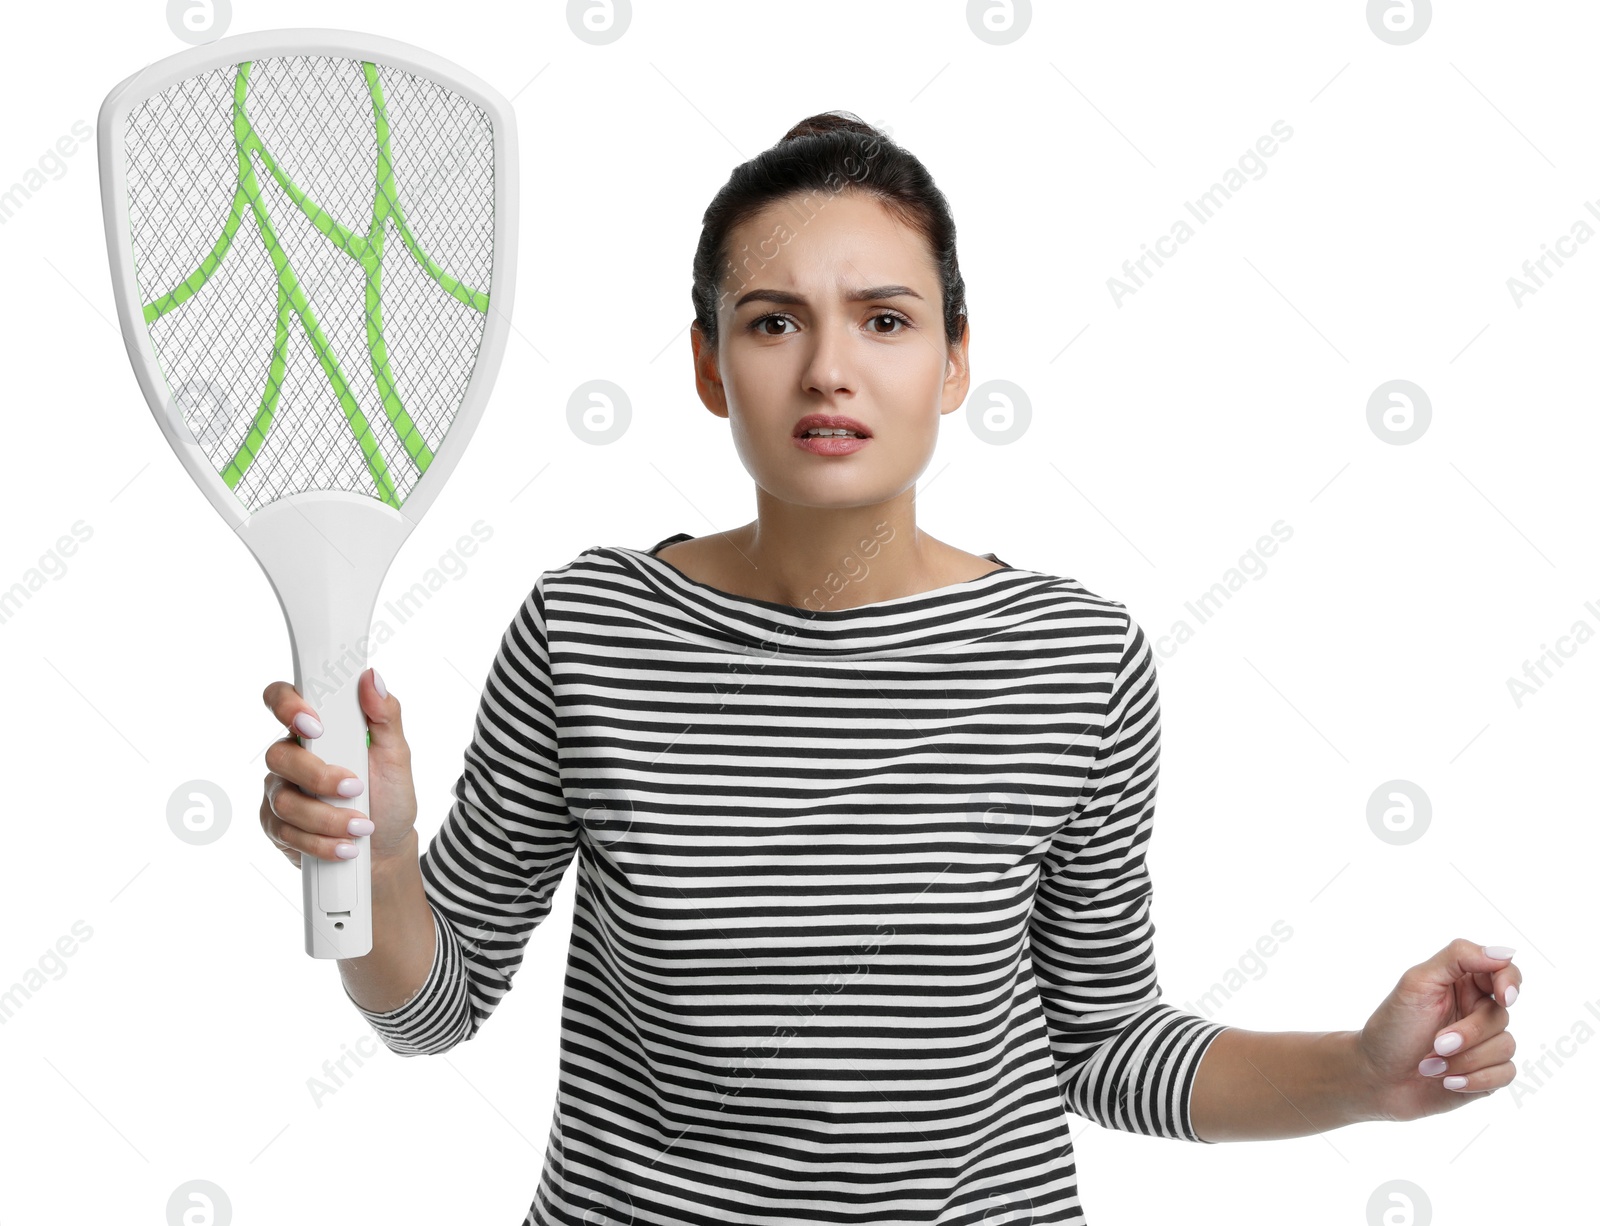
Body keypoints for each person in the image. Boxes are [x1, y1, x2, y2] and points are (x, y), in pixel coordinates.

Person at [259, 111, 1521, 1225]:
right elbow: (434, 1007)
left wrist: (1363, 1072)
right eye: (770, 321)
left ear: (954, 360)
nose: (827, 367)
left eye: (884, 319)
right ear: (708, 365)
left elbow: (1102, 1041)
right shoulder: (585, 627)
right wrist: (374, 864)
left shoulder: (1073, 658)